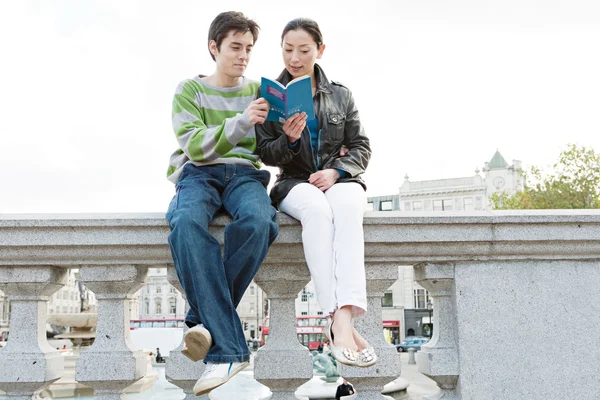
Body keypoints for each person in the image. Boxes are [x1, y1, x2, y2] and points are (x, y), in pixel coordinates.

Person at [165, 11, 278, 396]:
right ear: (214, 48)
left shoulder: (261, 89)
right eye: (235, 47)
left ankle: (203, 319)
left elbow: (276, 149)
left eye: (248, 48)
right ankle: (229, 350)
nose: (243, 55)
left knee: (261, 222)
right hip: (198, 173)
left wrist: (292, 134)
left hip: (245, 174)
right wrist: (242, 122)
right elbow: (194, 145)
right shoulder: (189, 90)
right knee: (186, 223)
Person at [256, 18, 375, 368]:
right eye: (288, 49)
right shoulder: (268, 95)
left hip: (337, 179)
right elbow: (264, 152)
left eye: (304, 50)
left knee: (349, 211)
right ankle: (335, 314)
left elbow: (361, 146)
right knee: (318, 214)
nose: (294, 58)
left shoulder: (340, 94)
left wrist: (336, 170)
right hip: (293, 182)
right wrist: (288, 140)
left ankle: (341, 320)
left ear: (319, 50)